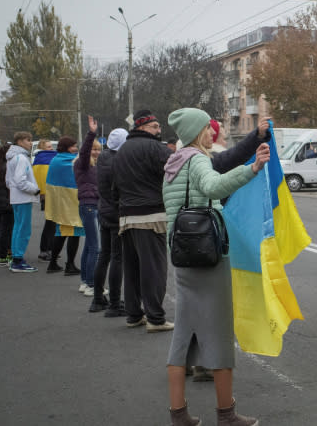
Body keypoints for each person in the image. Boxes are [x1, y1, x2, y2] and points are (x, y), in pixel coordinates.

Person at [162, 107, 267, 426]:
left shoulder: (172, 163)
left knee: (182, 334)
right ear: (195, 132)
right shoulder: (196, 159)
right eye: (207, 128)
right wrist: (251, 169)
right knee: (219, 334)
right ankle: (227, 414)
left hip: (182, 256)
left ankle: (178, 414)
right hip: (207, 256)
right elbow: (211, 187)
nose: (213, 132)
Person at [112, 109, 175, 332]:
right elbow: (176, 173)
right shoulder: (156, 148)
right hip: (152, 216)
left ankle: (133, 315)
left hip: (126, 217)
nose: (160, 130)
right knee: (154, 269)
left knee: (132, 270)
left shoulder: (121, 151)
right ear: (143, 127)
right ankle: (155, 318)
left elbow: (113, 187)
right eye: (155, 127)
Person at [93, 128, 128, 317]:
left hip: (104, 210)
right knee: (117, 257)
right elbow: (120, 189)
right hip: (116, 213)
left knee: (104, 255)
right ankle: (115, 302)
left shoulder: (103, 157)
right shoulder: (119, 161)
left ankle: (98, 297)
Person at [45, 136, 83, 278]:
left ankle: (53, 263)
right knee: (75, 233)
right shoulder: (72, 161)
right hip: (72, 203)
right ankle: (70, 265)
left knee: (60, 233)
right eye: (73, 146)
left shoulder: (55, 160)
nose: (76, 148)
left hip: (60, 205)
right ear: (67, 147)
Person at [74, 117, 102, 298]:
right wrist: (91, 134)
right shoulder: (82, 163)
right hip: (89, 206)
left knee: (89, 246)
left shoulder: (95, 166)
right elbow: (84, 152)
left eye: (99, 149)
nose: (96, 152)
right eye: (94, 149)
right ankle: (91, 284)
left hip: (93, 206)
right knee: (95, 248)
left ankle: (85, 282)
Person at [5, 132, 41, 272]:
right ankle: (18, 261)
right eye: (28, 140)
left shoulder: (12, 157)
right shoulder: (21, 158)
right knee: (24, 229)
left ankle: (16, 258)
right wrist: (35, 190)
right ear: (19, 142)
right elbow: (21, 181)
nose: (30, 143)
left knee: (17, 228)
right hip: (23, 197)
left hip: (16, 197)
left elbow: (9, 181)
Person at [33, 139, 57, 261]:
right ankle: (45, 249)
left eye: (51, 147)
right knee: (50, 223)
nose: (51, 149)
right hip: (49, 194)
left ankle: (50, 248)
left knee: (53, 222)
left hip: (48, 193)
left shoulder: (39, 159)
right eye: (48, 147)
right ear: (42, 148)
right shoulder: (46, 159)